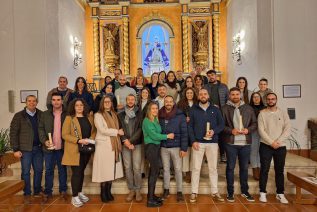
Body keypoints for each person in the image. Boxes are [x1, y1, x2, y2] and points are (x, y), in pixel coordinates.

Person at [188, 89, 225, 203]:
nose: (203, 96)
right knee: (195, 168)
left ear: (208, 95)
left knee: (213, 168)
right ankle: (194, 192)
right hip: (198, 142)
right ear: (198, 96)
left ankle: (215, 192)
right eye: (201, 94)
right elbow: (190, 127)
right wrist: (193, 141)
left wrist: (214, 131)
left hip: (212, 142)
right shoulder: (193, 109)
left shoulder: (215, 109)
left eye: (205, 94)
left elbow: (222, 124)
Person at [221, 87, 257, 202]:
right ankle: (230, 192)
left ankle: (245, 191)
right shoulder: (224, 108)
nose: (235, 96)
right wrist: (230, 131)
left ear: (240, 95)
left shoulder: (248, 108)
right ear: (229, 96)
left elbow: (255, 123)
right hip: (231, 142)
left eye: (237, 94)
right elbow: (221, 125)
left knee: (244, 168)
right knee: (230, 167)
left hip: (245, 142)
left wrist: (248, 130)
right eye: (233, 94)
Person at [62, 98, 96, 207]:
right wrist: (79, 140)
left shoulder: (89, 117)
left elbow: (94, 131)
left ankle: (79, 192)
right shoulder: (69, 118)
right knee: (76, 173)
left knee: (81, 172)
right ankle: (74, 197)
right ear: (73, 107)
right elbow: (65, 135)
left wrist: (90, 138)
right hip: (74, 150)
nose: (79, 107)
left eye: (81, 105)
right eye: (77, 105)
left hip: (86, 149)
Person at [258, 92, 291, 204]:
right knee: (264, 170)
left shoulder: (283, 113)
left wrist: (278, 141)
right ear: (266, 100)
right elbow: (261, 130)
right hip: (265, 146)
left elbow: (287, 129)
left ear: (276, 100)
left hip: (280, 146)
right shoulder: (262, 113)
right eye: (269, 99)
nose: (271, 100)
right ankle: (262, 193)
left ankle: (280, 194)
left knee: (279, 170)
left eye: (273, 99)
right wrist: (271, 142)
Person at [10, 95, 43, 204]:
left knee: (38, 170)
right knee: (25, 172)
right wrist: (15, 149)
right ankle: (27, 192)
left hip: (38, 148)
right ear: (26, 102)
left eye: (34, 101)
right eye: (29, 101)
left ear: (37, 102)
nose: (32, 103)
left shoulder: (41, 115)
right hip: (25, 149)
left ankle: (37, 191)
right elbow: (13, 133)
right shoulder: (18, 116)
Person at [92, 95, 124, 203]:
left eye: (109, 102)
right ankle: (103, 193)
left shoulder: (115, 114)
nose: (107, 103)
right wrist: (117, 132)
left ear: (111, 103)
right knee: (104, 171)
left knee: (111, 170)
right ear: (102, 103)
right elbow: (102, 130)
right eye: (105, 102)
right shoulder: (98, 115)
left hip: (114, 145)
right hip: (103, 146)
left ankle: (109, 192)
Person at [142, 102, 174, 207]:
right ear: (149, 110)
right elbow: (154, 135)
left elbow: (157, 133)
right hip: (151, 147)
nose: (155, 110)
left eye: (156, 108)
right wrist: (167, 136)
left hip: (156, 148)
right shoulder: (147, 121)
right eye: (153, 109)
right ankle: (150, 201)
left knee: (154, 172)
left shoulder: (155, 120)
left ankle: (151, 196)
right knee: (154, 173)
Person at [38, 93, 68, 203]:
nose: (56, 102)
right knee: (49, 170)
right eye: (54, 100)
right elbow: (40, 129)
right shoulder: (45, 114)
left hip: (62, 148)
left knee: (62, 170)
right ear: (51, 101)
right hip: (49, 148)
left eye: (58, 100)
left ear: (62, 101)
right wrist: (44, 141)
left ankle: (63, 191)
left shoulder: (68, 114)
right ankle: (48, 192)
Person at [159, 95, 188, 202]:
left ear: (173, 103)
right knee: (165, 169)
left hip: (176, 146)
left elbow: (185, 132)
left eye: (170, 101)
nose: (168, 103)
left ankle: (179, 191)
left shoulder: (180, 115)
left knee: (178, 169)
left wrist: (184, 148)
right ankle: (166, 189)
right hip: (164, 146)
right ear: (164, 103)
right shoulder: (160, 114)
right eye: (166, 101)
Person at [118, 94, 143, 202]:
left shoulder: (140, 113)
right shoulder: (121, 114)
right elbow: (119, 128)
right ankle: (131, 189)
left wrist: (131, 141)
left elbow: (141, 129)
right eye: (129, 99)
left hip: (136, 144)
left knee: (136, 168)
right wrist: (125, 141)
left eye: (133, 99)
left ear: (135, 101)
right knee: (128, 168)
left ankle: (138, 190)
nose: (131, 101)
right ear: (126, 101)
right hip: (125, 144)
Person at [206, 69, 229, 163]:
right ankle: (208, 156)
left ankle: (222, 154)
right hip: (209, 112)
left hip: (221, 112)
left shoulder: (223, 86)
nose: (211, 77)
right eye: (209, 75)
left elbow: (227, 98)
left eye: (212, 75)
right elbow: (203, 98)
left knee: (222, 134)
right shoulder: (205, 86)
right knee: (209, 133)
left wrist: (223, 107)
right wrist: (212, 105)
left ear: (216, 76)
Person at [177, 87, 198, 183]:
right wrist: (183, 119)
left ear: (194, 94)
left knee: (194, 154)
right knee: (186, 152)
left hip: (195, 130)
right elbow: (177, 115)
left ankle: (193, 171)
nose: (189, 94)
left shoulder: (198, 104)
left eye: (191, 93)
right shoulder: (180, 103)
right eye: (188, 93)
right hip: (184, 130)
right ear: (185, 94)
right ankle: (187, 173)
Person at [249, 92, 266, 180]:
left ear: (260, 98)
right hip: (253, 132)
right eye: (254, 97)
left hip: (264, 132)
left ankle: (259, 169)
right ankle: (255, 170)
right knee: (253, 151)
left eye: (258, 97)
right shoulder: (249, 108)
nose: (256, 98)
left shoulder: (265, 108)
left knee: (261, 151)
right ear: (252, 99)